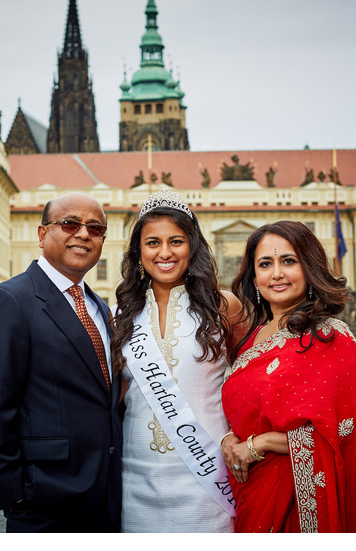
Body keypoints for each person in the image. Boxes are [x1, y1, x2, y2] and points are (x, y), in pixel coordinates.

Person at [0, 192, 122, 532]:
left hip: (107, 498)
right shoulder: (8, 301)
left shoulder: (102, 309)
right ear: (41, 234)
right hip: (44, 503)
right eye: (70, 223)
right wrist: (14, 497)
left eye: (95, 228)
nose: (83, 234)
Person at [221, 221, 356, 532]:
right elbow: (243, 412)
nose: (277, 273)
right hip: (248, 496)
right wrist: (229, 438)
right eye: (265, 264)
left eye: (289, 261)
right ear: (254, 277)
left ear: (309, 268)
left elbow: (341, 434)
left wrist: (261, 444)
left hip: (300, 503)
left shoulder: (330, 338)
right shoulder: (251, 337)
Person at [110, 190, 243, 532]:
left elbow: (251, 378)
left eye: (177, 241)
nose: (165, 252)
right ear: (139, 251)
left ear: (192, 246)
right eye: (153, 242)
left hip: (207, 476)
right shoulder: (119, 314)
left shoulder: (223, 306)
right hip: (134, 475)